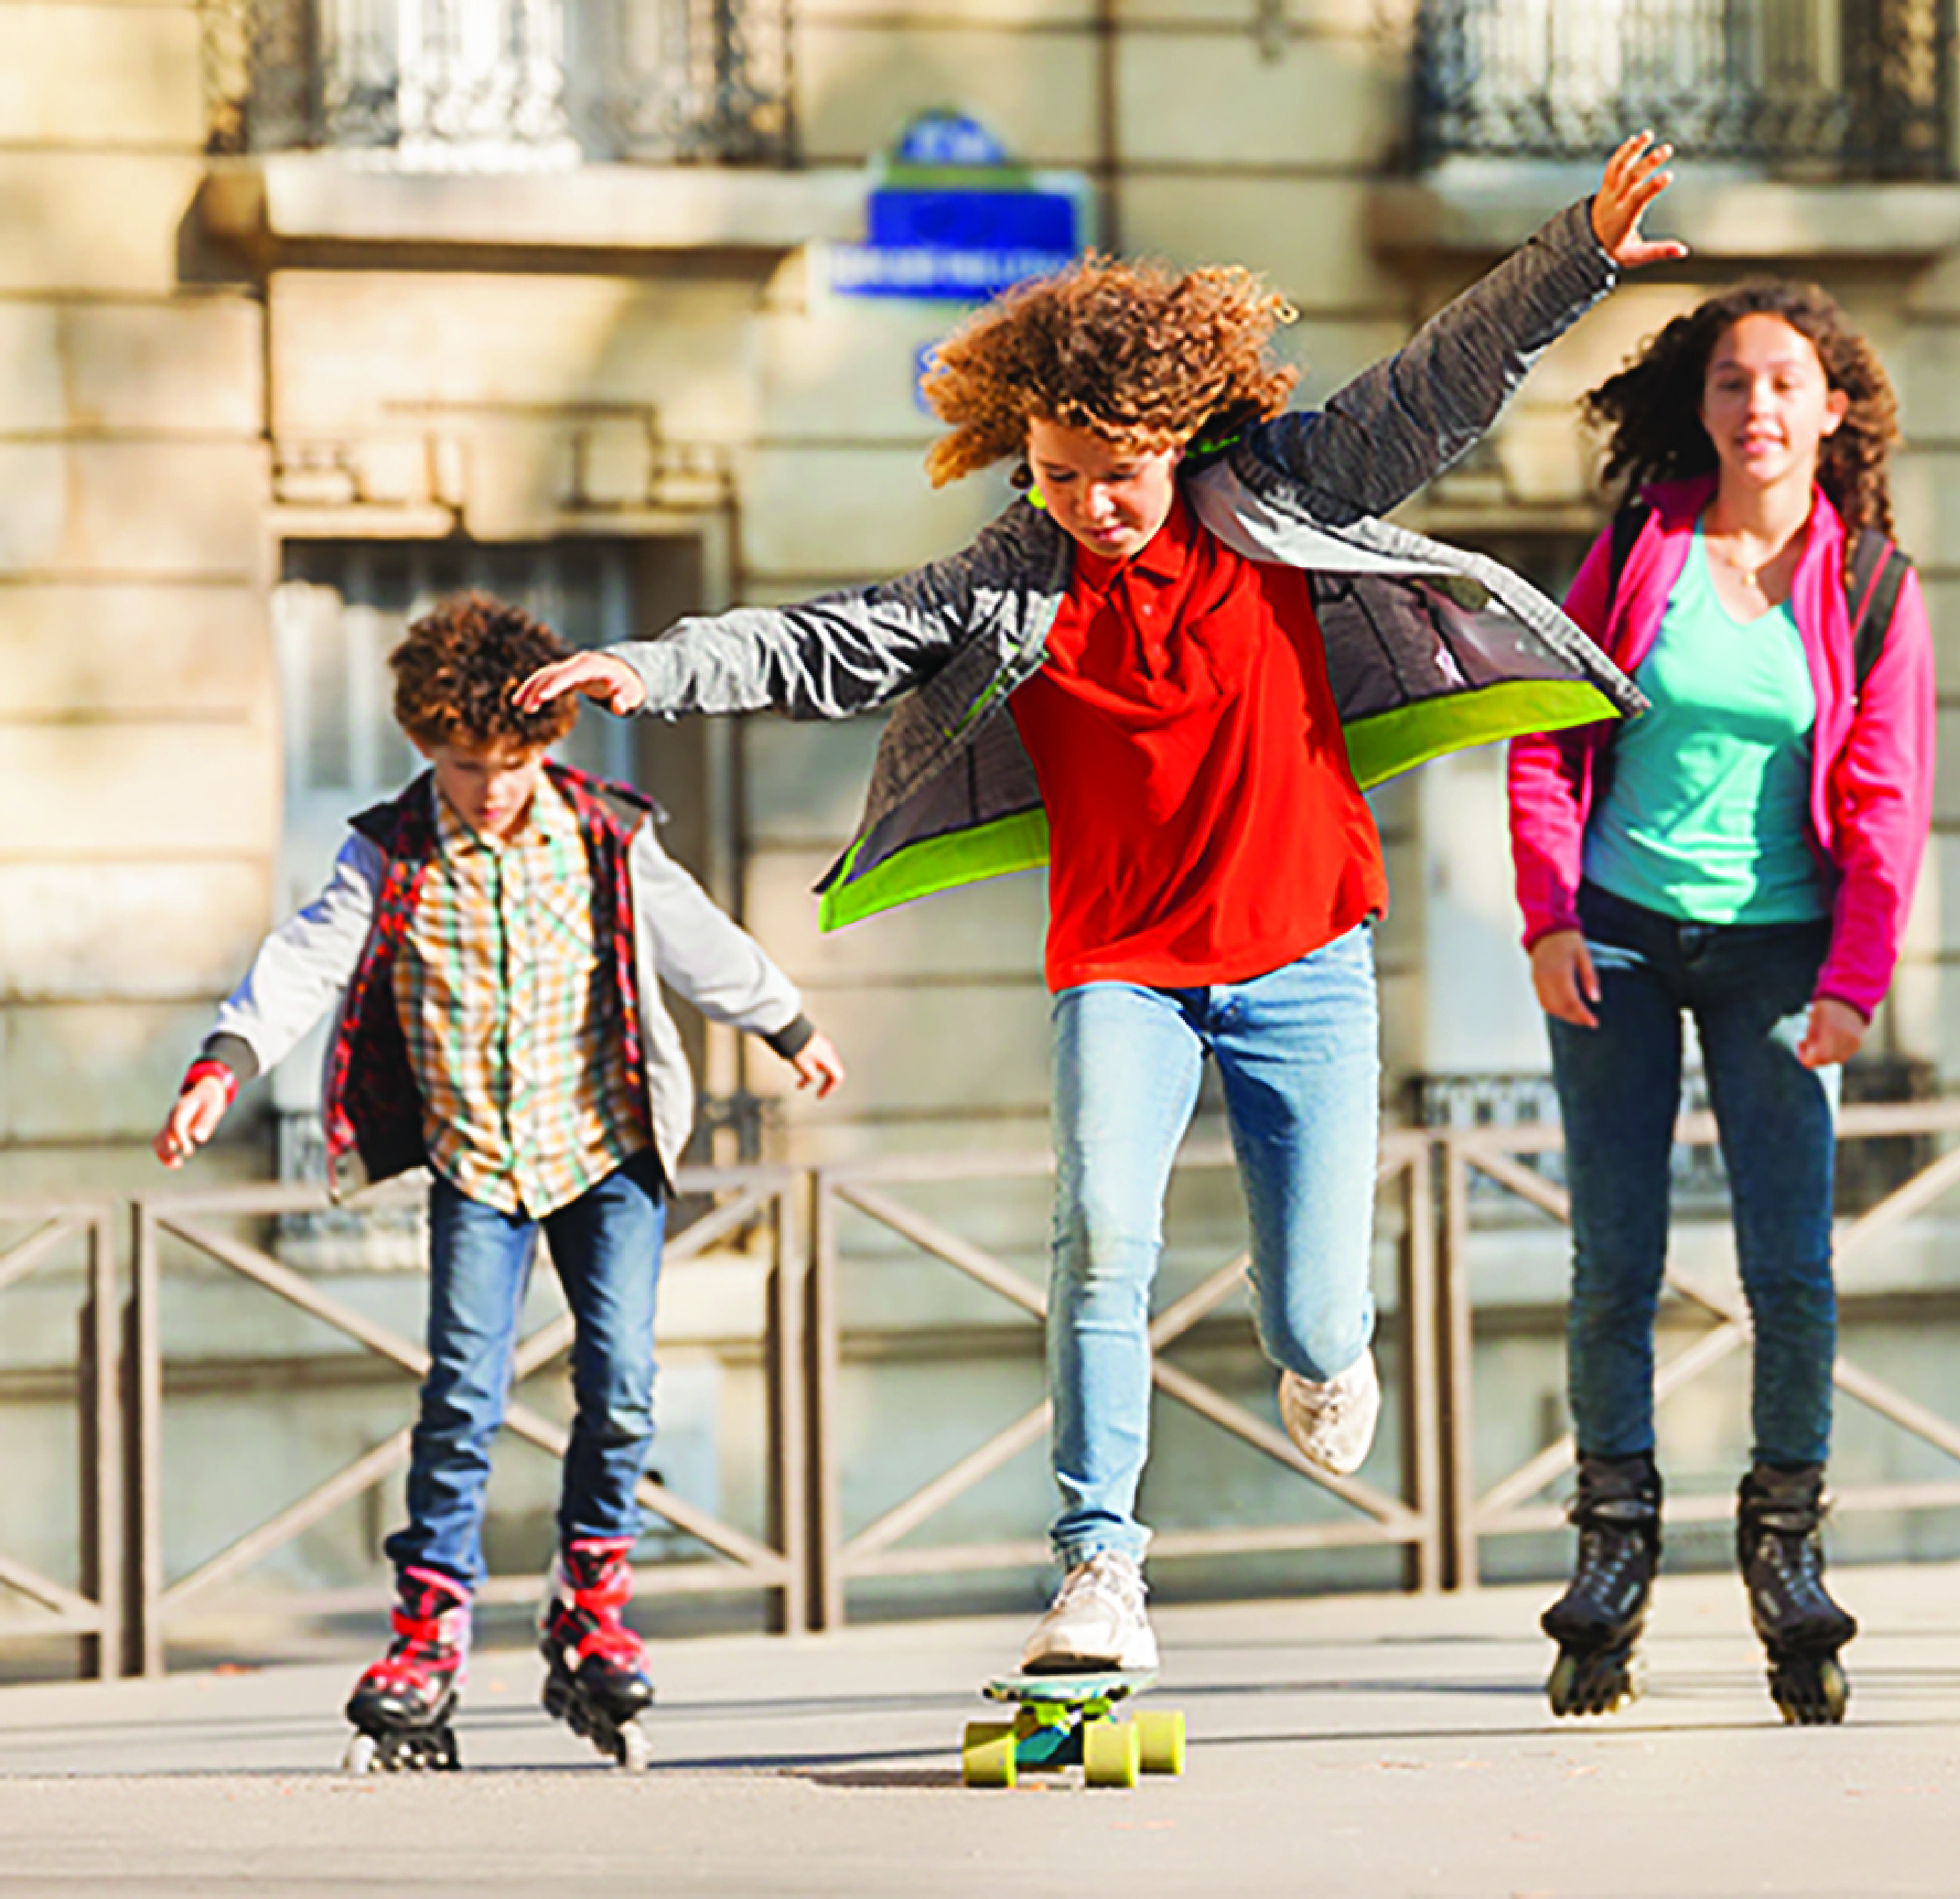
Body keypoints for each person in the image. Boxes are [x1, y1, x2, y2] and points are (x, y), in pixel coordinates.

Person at [515, 139, 1685, 1677]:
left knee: (1319, 1314)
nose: (1089, 508)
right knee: (1098, 1238)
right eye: (1057, 478)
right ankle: (1098, 1569)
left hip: (1308, 955)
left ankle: (1329, 1357)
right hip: (1121, 968)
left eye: (1115, 478)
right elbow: (827, 641)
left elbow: (1438, 381)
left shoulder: (1281, 496)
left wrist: (1578, 253)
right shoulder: (1015, 575)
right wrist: (653, 668)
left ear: (1179, 438)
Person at [155, 594, 848, 1772]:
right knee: (463, 1395)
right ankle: (427, 1637)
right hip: (478, 1161)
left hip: (607, 1149)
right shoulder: (390, 849)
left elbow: (697, 936)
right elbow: (305, 957)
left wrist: (787, 1024)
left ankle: (591, 1606)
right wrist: (222, 1065)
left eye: (513, 763)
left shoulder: (606, 830)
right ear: (429, 745)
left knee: (622, 1382)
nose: (490, 789)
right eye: (468, 765)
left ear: (551, 743)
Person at [1507, 281, 1936, 1725]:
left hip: (1778, 948)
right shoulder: (1640, 549)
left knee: (1791, 1267)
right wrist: (1549, 917)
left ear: (1832, 410)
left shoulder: (1870, 582)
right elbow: (1546, 732)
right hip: (1618, 936)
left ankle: (1786, 1548)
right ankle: (1613, 1546)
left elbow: (1888, 800)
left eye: (1783, 385)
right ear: (1702, 405)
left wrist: (1855, 981)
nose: (1758, 408)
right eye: (1733, 384)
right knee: (1614, 1262)